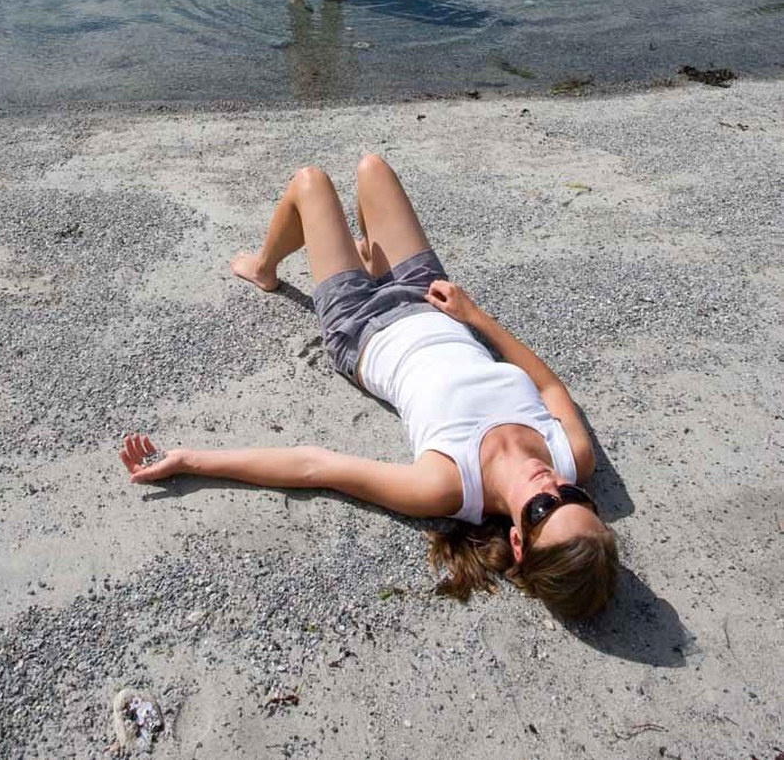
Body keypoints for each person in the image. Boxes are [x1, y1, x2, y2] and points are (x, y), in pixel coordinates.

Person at [121, 155, 619, 621]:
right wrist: (474, 316)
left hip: (363, 326)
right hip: (433, 302)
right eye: (574, 498)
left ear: (517, 541)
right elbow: (550, 385)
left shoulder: (447, 486)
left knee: (310, 182)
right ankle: (365, 257)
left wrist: (190, 460)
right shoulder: (572, 456)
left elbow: (317, 467)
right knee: (372, 167)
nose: (550, 485)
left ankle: (265, 270)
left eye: (542, 508)